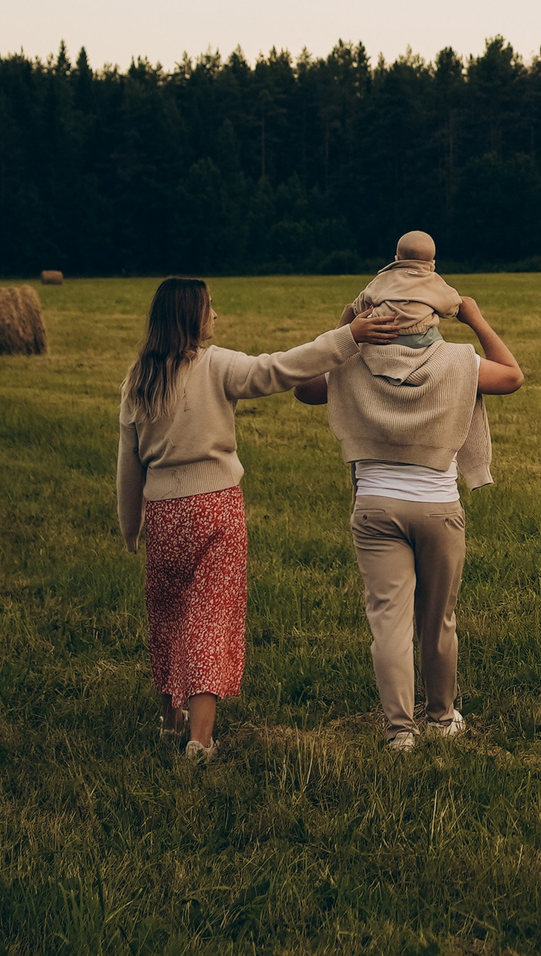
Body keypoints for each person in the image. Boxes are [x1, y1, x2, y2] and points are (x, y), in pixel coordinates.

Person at [116, 277, 394, 762]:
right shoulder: (216, 364)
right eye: (210, 308)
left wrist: (130, 526)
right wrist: (349, 336)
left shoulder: (139, 379)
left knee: (168, 616)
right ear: (190, 317)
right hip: (216, 508)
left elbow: (128, 463)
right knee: (210, 617)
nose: (216, 316)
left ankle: (168, 722)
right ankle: (200, 743)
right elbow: (281, 368)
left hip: (163, 515)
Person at [298, 236, 525, 752]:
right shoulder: (459, 362)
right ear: (435, 309)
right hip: (439, 507)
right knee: (439, 620)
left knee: (388, 625)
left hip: (375, 507)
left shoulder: (351, 362)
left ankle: (399, 733)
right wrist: (476, 318)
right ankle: (442, 717)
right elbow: (513, 375)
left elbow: (305, 386)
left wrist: (345, 330)